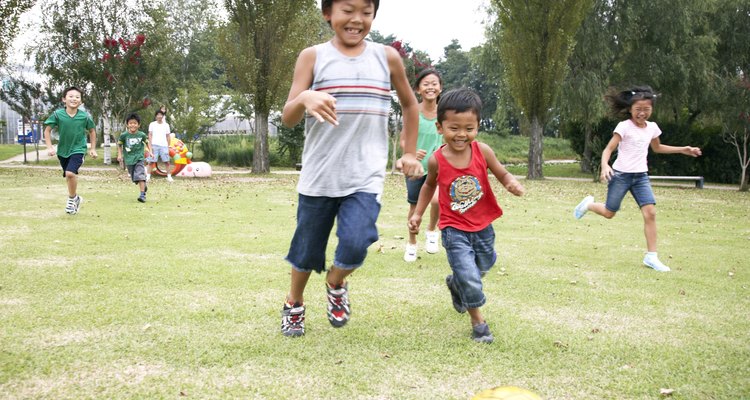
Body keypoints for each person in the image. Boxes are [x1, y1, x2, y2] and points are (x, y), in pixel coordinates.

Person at [279, 0, 424, 337]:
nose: (357, 20)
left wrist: (409, 153)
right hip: (320, 176)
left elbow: (409, 104)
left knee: (358, 241)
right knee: (305, 251)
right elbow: (288, 116)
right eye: (347, 10)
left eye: (366, 12)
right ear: (327, 13)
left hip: (365, 175)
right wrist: (304, 99)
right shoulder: (312, 56)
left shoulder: (386, 57)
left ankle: (335, 282)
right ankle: (294, 302)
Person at [408, 88, 525, 343]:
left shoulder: (482, 151)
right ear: (440, 127)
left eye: (469, 128)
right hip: (453, 228)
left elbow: (501, 173)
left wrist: (511, 183)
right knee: (470, 276)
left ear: (477, 127)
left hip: (483, 225)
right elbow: (429, 186)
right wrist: (418, 213)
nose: (461, 134)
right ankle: (478, 323)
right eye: (454, 128)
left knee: (482, 266)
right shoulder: (437, 160)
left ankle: (456, 284)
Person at [573, 86, 702, 272]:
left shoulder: (652, 128)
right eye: (638, 110)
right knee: (610, 213)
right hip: (621, 176)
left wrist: (683, 149)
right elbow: (608, 149)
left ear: (652, 109)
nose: (642, 113)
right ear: (630, 109)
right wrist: (605, 166)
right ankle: (588, 205)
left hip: (641, 177)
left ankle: (651, 257)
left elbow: (657, 148)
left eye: (646, 110)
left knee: (650, 213)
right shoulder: (624, 126)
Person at [401, 68, 443, 262]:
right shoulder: (413, 112)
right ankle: (411, 243)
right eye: (426, 84)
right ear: (418, 89)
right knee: (414, 207)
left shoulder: (445, 112)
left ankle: (432, 231)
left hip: (439, 167)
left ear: (440, 88)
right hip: (416, 168)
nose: (430, 87)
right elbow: (403, 140)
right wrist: (411, 153)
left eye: (434, 83)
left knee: (436, 200)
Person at [43, 86, 98, 215]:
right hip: (62, 151)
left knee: (70, 173)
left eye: (77, 97)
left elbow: (92, 131)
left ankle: (71, 199)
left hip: (78, 149)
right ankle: (76, 198)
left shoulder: (84, 116)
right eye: (71, 96)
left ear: (81, 101)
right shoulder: (58, 115)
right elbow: (47, 130)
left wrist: (93, 148)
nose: (74, 99)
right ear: (64, 99)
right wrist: (50, 147)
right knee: (69, 176)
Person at [117, 113, 151, 202]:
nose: (133, 125)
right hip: (128, 159)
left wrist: (150, 151)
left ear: (138, 125)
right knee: (135, 178)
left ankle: (142, 195)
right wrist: (120, 155)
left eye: (135, 123)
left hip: (139, 158)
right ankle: (143, 184)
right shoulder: (124, 135)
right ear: (127, 124)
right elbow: (119, 145)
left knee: (140, 175)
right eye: (131, 123)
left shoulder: (142, 135)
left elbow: (147, 142)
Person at [147, 109, 172, 182]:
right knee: (151, 161)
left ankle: (169, 176)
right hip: (154, 145)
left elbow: (168, 136)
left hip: (164, 145)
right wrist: (150, 146)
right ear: (156, 116)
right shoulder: (152, 124)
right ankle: (148, 176)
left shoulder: (166, 125)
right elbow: (150, 135)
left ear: (163, 116)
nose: (159, 116)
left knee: (166, 161)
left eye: (161, 115)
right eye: (158, 115)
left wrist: (168, 146)